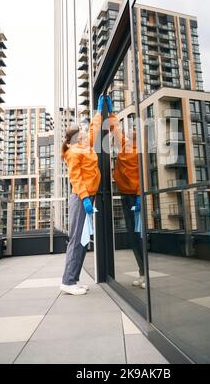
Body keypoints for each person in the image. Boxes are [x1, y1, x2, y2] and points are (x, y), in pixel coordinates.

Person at [60, 95, 104, 295]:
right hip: (81, 198)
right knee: (77, 239)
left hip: (88, 197)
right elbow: (76, 179)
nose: (87, 132)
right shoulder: (74, 152)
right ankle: (68, 282)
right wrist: (86, 198)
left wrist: (99, 112)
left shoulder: (85, 146)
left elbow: (94, 130)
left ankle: (74, 280)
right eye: (83, 132)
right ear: (78, 138)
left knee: (84, 239)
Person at [106, 95, 145, 289]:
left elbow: (143, 176)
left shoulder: (140, 152)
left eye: (136, 130)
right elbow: (115, 128)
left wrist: (139, 197)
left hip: (135, 197)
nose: (132, 131)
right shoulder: (124, 145)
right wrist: (111, 110)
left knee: (138, 235)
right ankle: (142, 273)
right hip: (125, 194)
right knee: (132, 235)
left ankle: (145, 274)